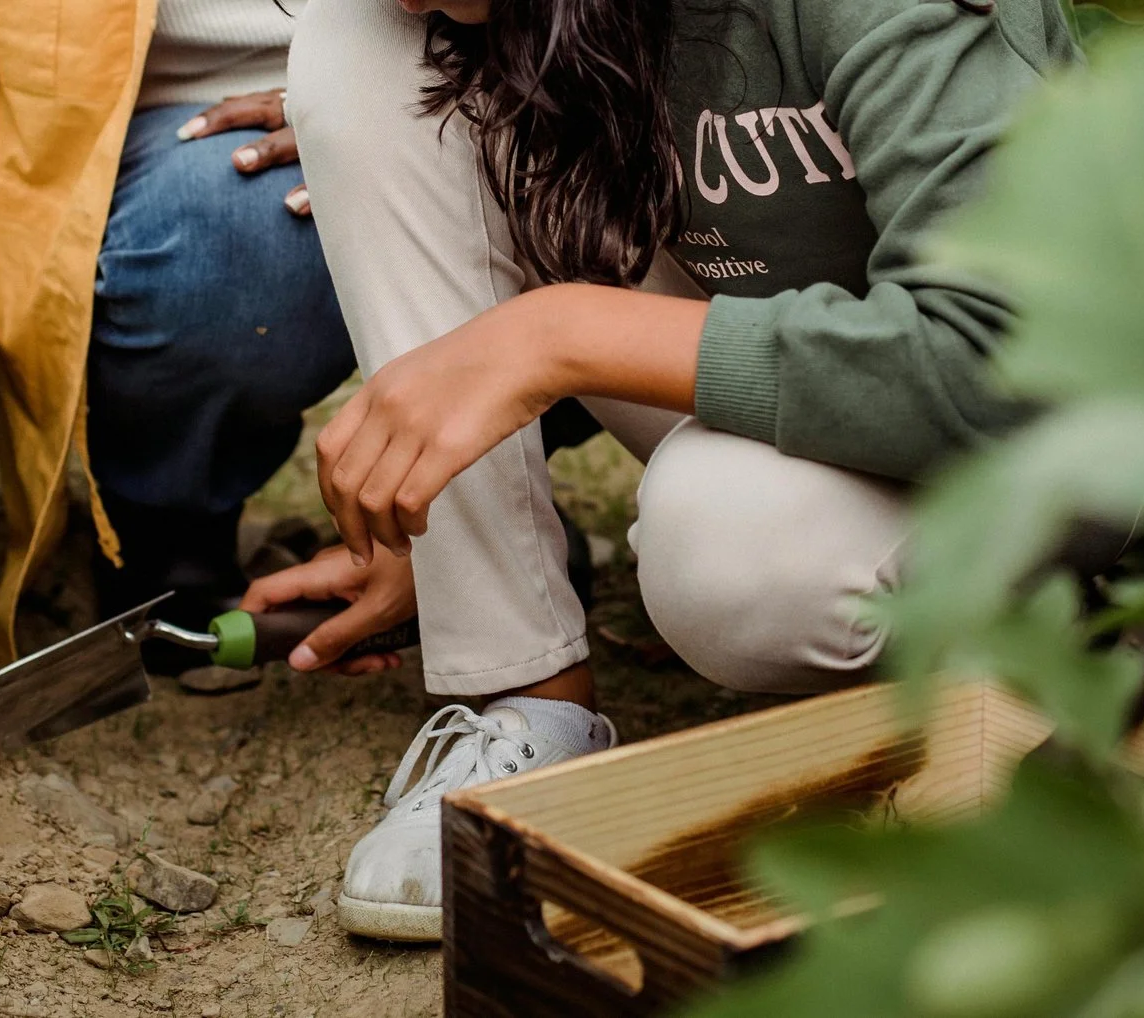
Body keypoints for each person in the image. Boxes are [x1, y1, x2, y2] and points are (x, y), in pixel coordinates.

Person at [262, 0, 1076, 940]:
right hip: (781, 373)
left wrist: (561, 336)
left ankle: (1070, 639)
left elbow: (1002, 361)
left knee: (725, 550)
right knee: (359, 47)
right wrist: (438, 510)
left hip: (1042, 450)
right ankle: (525, 699)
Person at [0, 0, 355, 672]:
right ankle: (164, 543)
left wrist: (380, 107)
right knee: (235, 241)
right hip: (137, 139)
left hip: (459, 96)